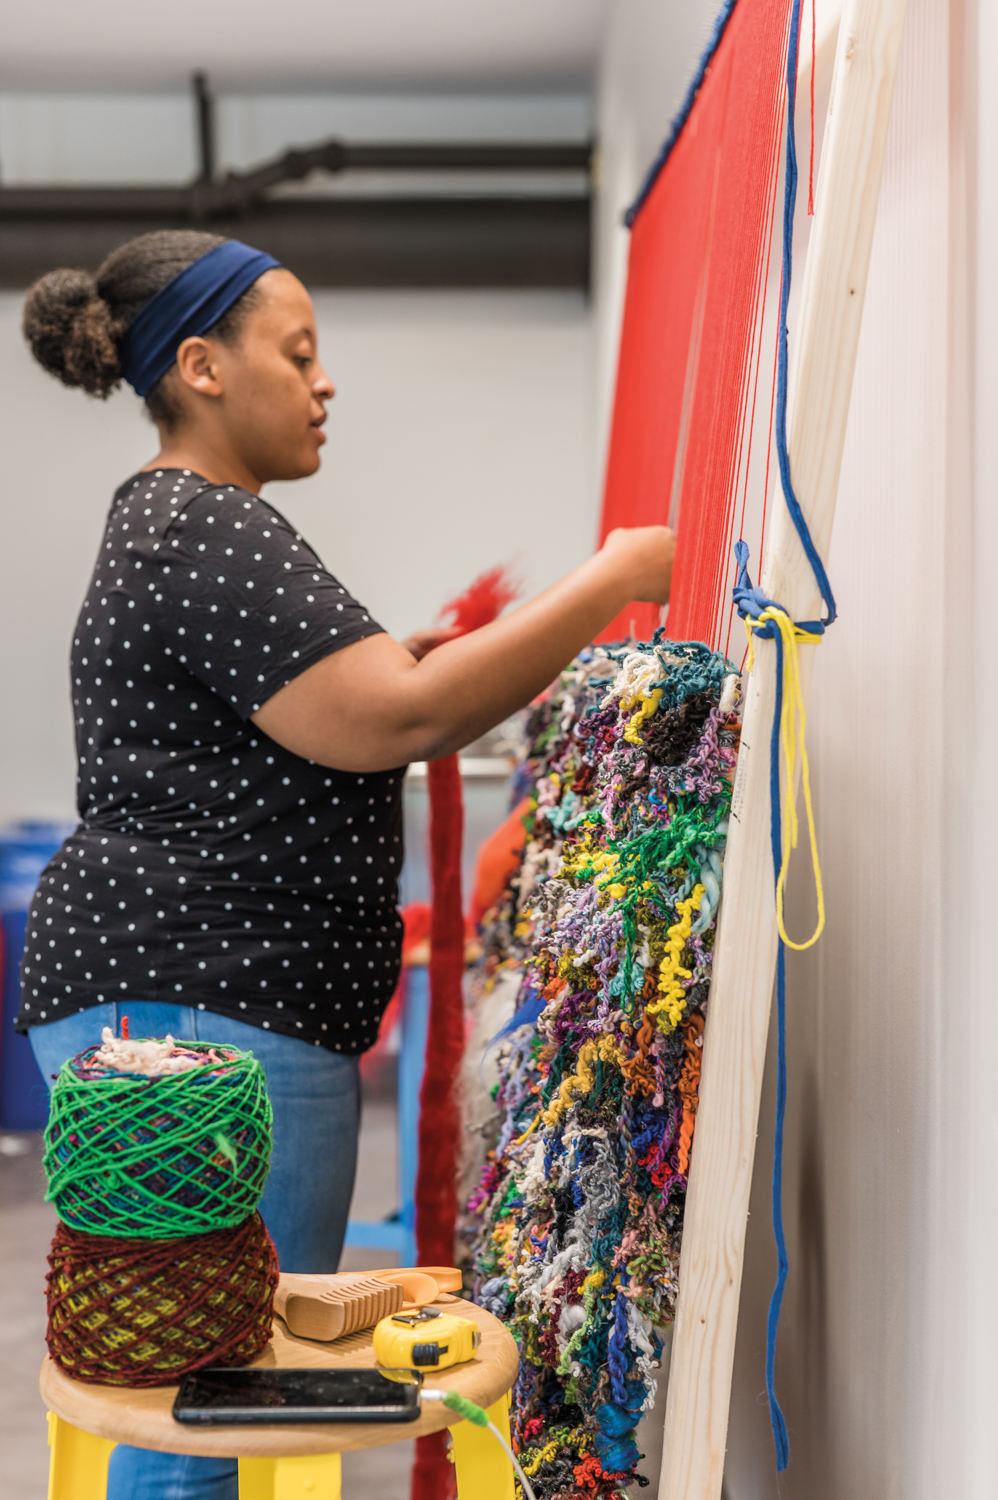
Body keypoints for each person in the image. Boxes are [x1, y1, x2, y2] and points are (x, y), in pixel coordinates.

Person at [17, 229, 675, 1500]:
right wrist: (612, 582)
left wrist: (417, 665)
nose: (325, 384)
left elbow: (345, 705)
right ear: (202, 366)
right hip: (201, 1004)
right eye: (299, 353)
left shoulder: (187, 526)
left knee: (214, 1386)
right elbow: (391, 717)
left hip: (197, 996)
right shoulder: (197, 525)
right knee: (206, 1396)